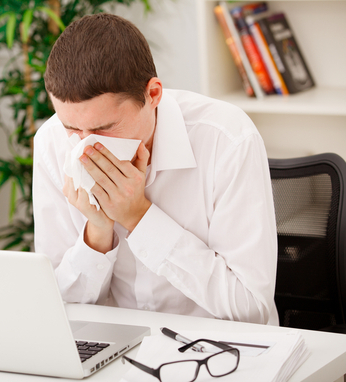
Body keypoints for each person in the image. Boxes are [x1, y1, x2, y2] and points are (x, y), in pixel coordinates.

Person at [32, 13, 279, 325]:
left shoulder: (226, 139)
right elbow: (57, 308)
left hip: (219, 351)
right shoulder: (52, 143)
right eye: (72, 128)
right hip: (116, 351)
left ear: (153, 95)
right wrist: (96, 233)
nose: (86, 147)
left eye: (104, 128)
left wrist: (139, 217)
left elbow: (250, 309)